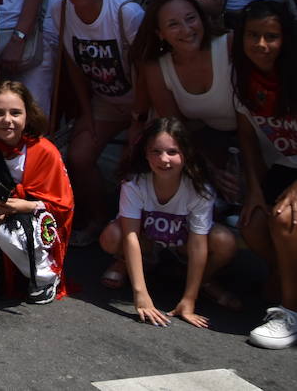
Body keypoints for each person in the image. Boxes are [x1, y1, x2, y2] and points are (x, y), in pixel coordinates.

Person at [97, 117, 236, 326]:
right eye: (156, 151)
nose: (164, 159)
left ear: (186, 154)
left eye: (172, 152)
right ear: (145, 153)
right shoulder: (134, 183)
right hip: (147, 242)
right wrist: (140, 295)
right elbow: (131, 236)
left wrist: (189, 300)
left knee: (224, 241)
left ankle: (200, 283)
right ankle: (127, 263)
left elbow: (199, 244)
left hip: (182, 246)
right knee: (112, 235)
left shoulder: (199, 190)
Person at [53, 0, 145, 245]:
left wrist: (138, 123)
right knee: (79, 156)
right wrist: (87, 114)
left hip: (144, 100)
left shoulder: (127, 13)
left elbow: (148, 73)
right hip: (104, 100)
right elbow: (73, 64)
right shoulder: (61, 10)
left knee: (140, 163)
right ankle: (99, 220)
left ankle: (140, 235)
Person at [0, 81, 73, 303]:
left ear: (27, 116)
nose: (7, 120)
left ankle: (46, 276)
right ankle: (6, 271)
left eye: (15, 113)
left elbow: (63, 206)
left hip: (32, 226)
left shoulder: (44, 151)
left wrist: (28, 206)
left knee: (9, 232)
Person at [231, 1, 297, 348]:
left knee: (284, 219)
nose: (261, 45)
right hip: (281, 168)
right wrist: (254, 190)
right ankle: (288, 278)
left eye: (271, 36)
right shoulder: (242, 76)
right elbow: (247, 138)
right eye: (253, 35)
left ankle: (289, 310)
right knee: (253, 223)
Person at [132, 0, 238, 194]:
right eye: (173, 24)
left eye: (191, 19)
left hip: (255, 137)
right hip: (209, 141)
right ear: (160, 33)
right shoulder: (158, 68)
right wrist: (208, 171)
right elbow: (176, 129)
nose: (187, 30)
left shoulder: (230, 45)